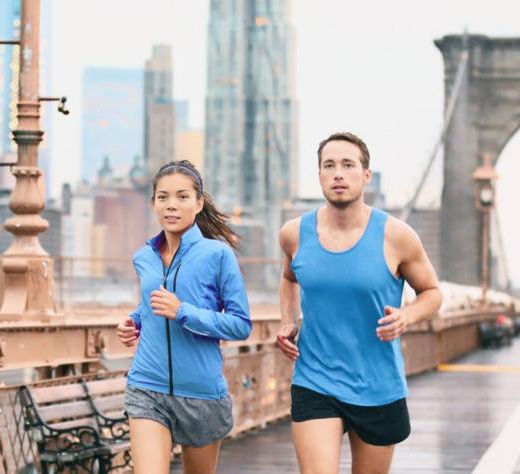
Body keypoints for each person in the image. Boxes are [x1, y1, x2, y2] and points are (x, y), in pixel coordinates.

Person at [276, 132, 442, 473]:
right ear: (319, 175)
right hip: (315, 380)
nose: (338, 173)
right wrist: (287, 320)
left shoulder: (396, 235)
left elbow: (432, 293)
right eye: (329, 165)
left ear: (366, 175)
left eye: (348, 165)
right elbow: (289, 278)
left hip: (377, 385)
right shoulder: (294, 234)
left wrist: (406, 317)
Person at [116, 160, 252, 474]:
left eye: (182, 197)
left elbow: (240, 324)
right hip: (147, 387)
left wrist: (182, 312)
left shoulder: (217, 255)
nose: (171, 206)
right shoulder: (144, 256)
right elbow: (150, 305)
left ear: (199, 203)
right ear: (153, 204)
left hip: (201, 393)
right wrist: (133, 321)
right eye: (162, 197)